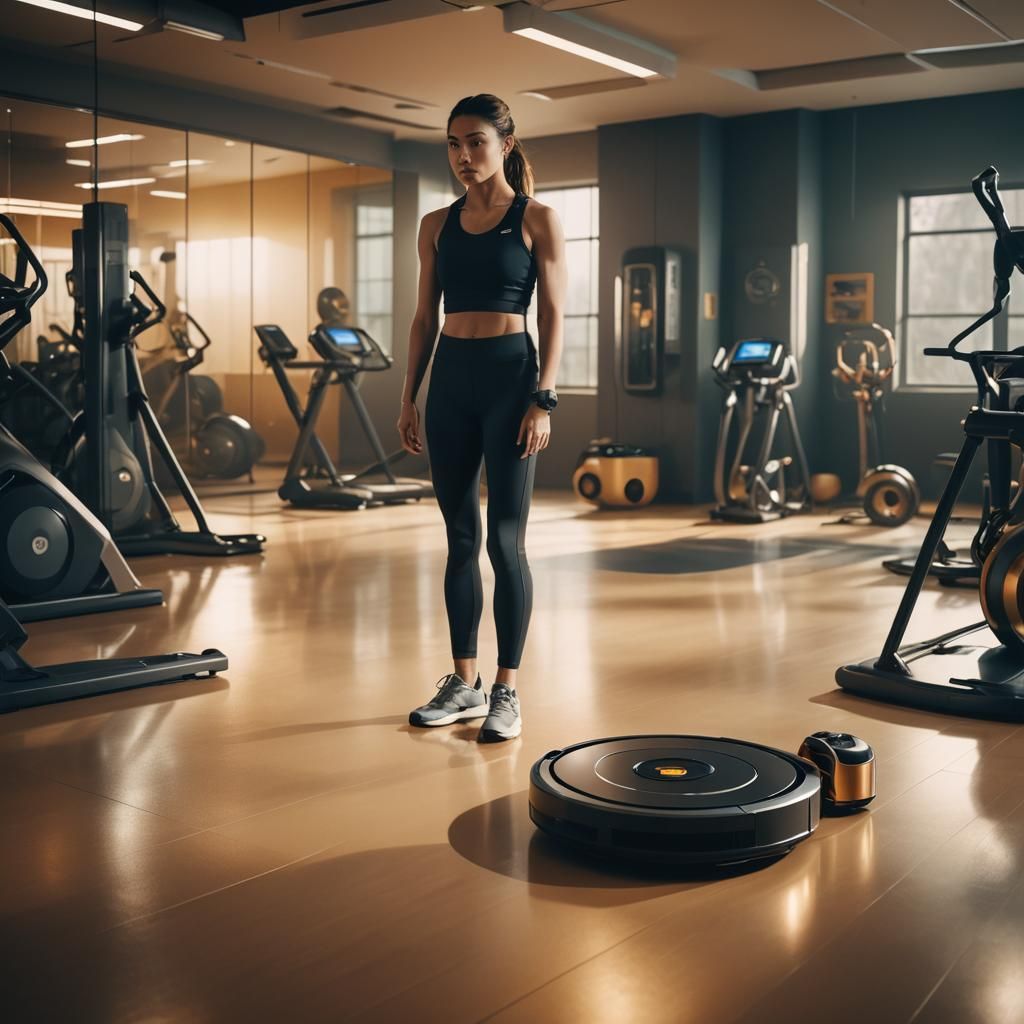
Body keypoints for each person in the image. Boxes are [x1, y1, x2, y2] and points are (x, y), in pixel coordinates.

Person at [399, 94, 566, 742]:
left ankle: (506, 691)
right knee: (460, 539)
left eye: (475, 142)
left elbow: (553, 315)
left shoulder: (536, 218)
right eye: (454, 143)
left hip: (510, 380)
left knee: (505, 540)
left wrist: (543, 398)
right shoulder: (435, 224)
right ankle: (464, 683)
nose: (463, 155)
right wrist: (410, 396)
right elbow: (423, 317)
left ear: (505, 144)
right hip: (451, 383)